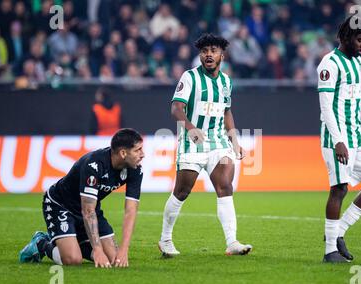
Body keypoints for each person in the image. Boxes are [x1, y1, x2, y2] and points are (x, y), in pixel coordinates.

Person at [158, 33, 252, 257]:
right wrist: (191, 128)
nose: (208, 54)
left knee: (225, 187)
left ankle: (232, 242)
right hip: (192, 141)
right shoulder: (189, 78)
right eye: (204, 51)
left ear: (222, 54)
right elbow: (176, 109)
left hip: (218, 141)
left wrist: (235, 141)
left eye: (213, 50)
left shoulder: (227, 81)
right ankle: (165, 239)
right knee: (182, 191)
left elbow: (226, 111)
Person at [19, 128, 144, 268]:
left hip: (89, 209)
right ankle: (41, 243)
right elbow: (88, 210)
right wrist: (97, 250)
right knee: (73, 260)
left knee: (115, 260)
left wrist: (123, 250)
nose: (142, 154)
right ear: (123, 153)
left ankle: (73, 240)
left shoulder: (135, 169)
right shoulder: (94, 165)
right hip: (61, 206)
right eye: (138, 150)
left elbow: (130, 211)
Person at [317, 16, 361, 263]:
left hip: (357, 136)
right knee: (339, 189)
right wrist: (338, 140)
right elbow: (325, 107)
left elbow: (358, 103)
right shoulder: (329, 63)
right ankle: (329, 252)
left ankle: (338, 234)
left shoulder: (359, 63)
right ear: (347, 38)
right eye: (360, 40)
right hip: (337, 138)